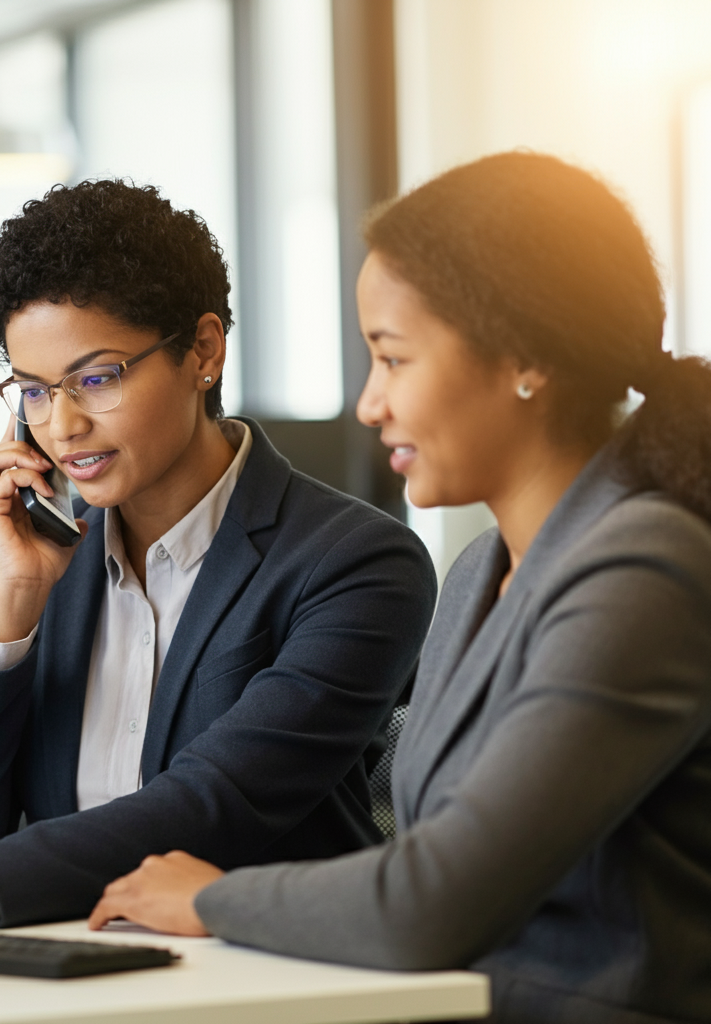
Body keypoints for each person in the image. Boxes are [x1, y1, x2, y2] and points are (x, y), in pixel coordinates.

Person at [87, 154, 711, 1024]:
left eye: (393, 358)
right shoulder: (477, 573)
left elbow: (432, 901)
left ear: (526, 356)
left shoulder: (645, 570)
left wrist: (211, 900)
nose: (369, 405)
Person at [0, 179, 435, 927]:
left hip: (254, 985)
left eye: (94, 379)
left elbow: (214, 803)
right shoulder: (43, 565)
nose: (61, 427)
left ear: (202, 350)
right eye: (32, 391)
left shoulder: (357, 564)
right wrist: (8, 614)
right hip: (69, 979)